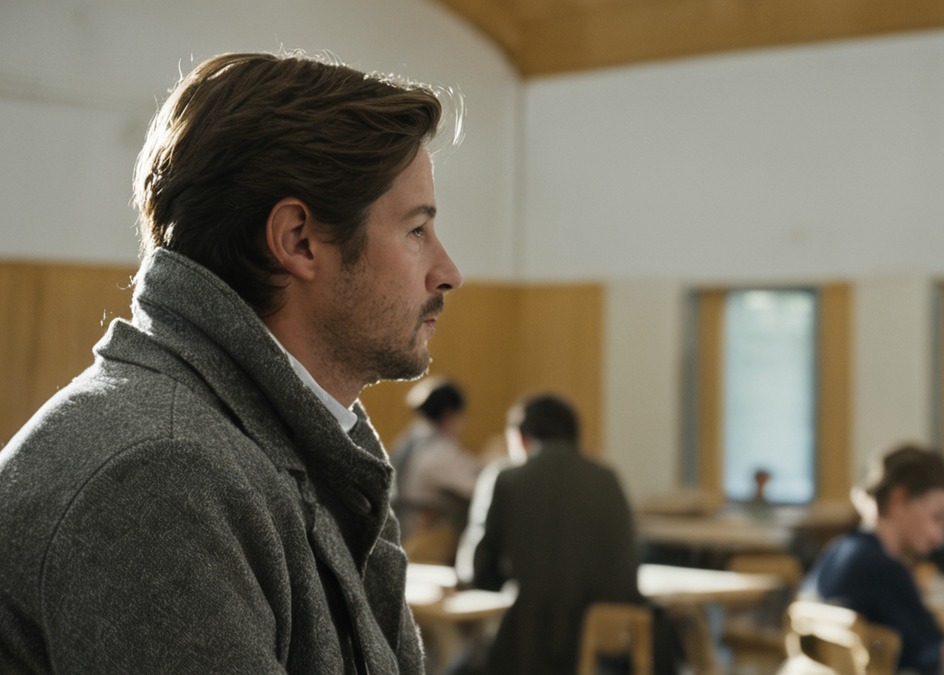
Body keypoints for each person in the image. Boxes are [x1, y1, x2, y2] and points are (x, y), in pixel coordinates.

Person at [0, 51, 462, 674]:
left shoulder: (266, 444)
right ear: (298, 240)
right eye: (416, 231)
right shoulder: (157, 477)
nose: (448, 272)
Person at [472, 394, 645, 675]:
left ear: (521, 438)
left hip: (530, 651)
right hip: (613, 650)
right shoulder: (608, 477)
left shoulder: (507, 479)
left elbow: (479, 573)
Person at [801, 444, 944, 675]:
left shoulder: (838, 551)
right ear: (899, 500)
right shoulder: (884, 570)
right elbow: (939, 653)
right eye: (937, 518)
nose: (941, 538)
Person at [390, 377, 479, 562]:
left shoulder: (412, 437)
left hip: (397, 523)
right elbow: (475, 486)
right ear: (449, 414)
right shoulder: (438, 450)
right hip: (418, 532)